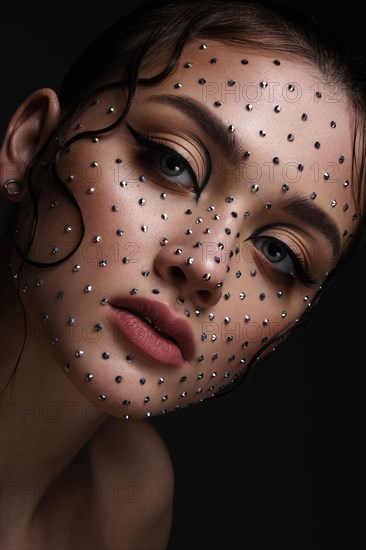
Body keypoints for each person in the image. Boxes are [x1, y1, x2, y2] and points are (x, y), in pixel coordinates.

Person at [0, 0, 365, 548]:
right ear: (33, 144)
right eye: (173, 162)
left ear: (285, 332)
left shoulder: (132, 499)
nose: (206, 265)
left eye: (279, 252)